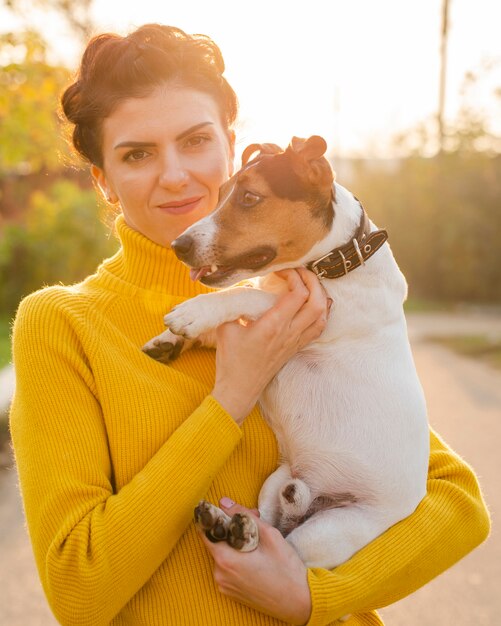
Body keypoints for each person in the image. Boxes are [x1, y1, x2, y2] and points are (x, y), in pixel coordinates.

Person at [9, 23, 490, 626]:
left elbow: (458, 503)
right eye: (137, 153)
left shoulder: (298, 297)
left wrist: (313, 599)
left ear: (230, 146)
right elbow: (79, 589)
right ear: (102, 179)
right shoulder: (63, 324)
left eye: (195, 140)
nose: (177, 174)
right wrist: (230, 398)